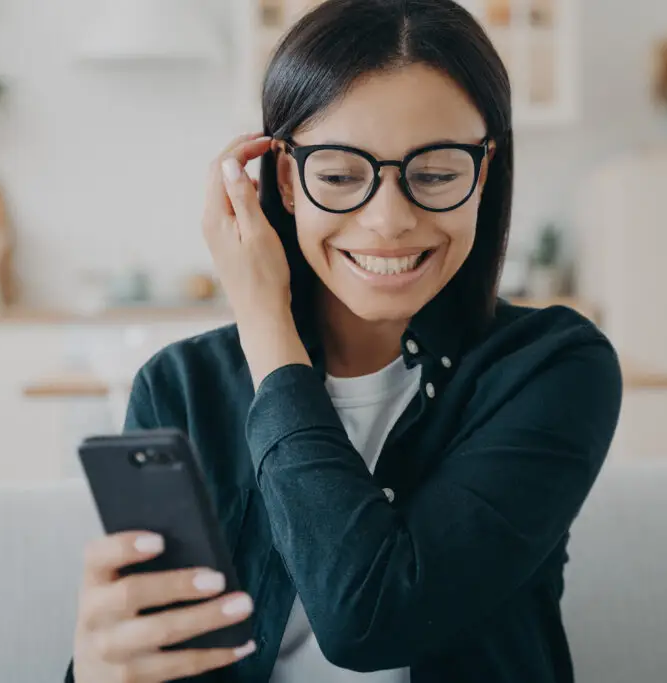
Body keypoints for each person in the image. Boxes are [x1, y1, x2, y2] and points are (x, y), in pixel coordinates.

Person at [67, 0, 622, 681]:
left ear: (485, 174)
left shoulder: (553, 367)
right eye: (338, 176)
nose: (388, 220)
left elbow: (370, 618)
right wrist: (96, 670)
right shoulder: (181, 387)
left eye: (437, 174)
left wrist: (265, 320)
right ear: (286, 183)